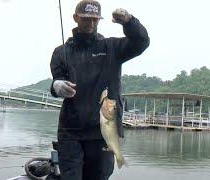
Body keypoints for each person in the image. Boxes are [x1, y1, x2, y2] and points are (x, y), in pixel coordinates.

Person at [49, 0, 149, 180]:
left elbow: (141, 42)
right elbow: (57, 80)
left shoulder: (112, 48)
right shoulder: (61, 52)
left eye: (95, 19)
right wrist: (57, 86)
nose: (91, 23)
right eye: (86, 19)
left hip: (103, 132)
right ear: (76, 18)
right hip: (71, 131)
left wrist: (129, 21)